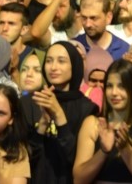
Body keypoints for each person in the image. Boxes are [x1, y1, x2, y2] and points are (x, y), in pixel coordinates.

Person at [20, 41, 99, 184]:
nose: (53, 67)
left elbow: (74, 161)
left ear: (74, 66)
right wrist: (42, 124)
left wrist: (59, 117)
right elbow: (24, 159)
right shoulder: (30, 102)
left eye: (61, 61)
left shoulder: (86, 109)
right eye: (49, 61)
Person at [73, 59, 132, 184]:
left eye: (121, 86)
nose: (114, 93)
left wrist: (124, 149)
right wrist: (104, 151)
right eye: (110, 86)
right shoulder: (93, 124)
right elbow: (79, 179)